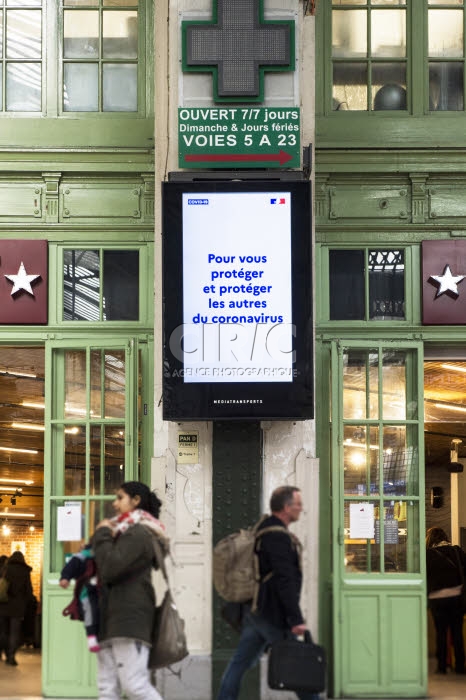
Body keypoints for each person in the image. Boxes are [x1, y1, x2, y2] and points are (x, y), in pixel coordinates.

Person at [217, 485, 320, 700]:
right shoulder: (277, 536)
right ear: (286, 507)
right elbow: (284, 580)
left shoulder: (264, 528)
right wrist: (295, 618)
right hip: (272, 613)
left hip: (257, 611)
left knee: (239, 662)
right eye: (298, 504)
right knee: (296, 663)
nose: (301, 509)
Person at [92, 480, 169, 700]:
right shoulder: (124, 531)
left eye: (120, 498)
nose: (115, 504)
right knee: (107, 688)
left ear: (136, 501)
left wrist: (103, 534)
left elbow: (109, 567)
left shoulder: (140, 534)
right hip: (111, 617)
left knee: (135, 686)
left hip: (128, 619)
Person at [426, 526, 466, 675]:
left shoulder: (428, 555)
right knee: (457, 633)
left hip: (437, 600)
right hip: (456, 598)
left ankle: (442, 666)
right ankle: (460, 666)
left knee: (441, 633)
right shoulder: (456, 551)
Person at [59, 542, 100, 652]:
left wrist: (65, 578)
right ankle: (92, 636)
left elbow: (70, 566)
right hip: (90, 592)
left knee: (90, 613)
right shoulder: (90, 555)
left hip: (91, 592)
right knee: (91, 612)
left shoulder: (83, 555)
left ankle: (92, 636)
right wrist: (65, 577)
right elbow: (71, 566)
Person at [0, 550, 33, 666]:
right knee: (15, 632)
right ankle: (11, 656)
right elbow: (29, 591)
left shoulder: (5, 568)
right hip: (18, 607)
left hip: (3, 605)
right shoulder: (25, 571)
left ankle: (4, 651)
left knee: (3, 631)